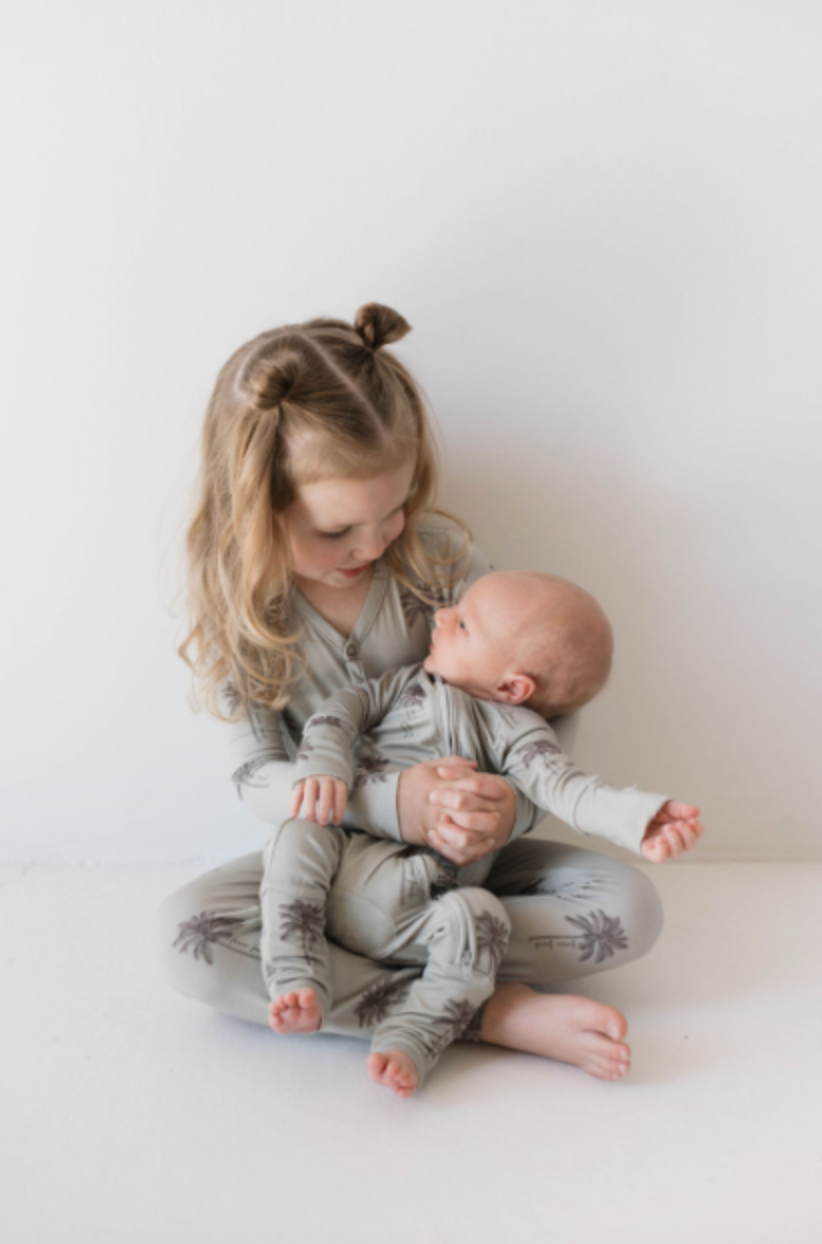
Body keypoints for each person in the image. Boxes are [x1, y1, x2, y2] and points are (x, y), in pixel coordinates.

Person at [155, 302, 682, 1090]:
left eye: (392, 510)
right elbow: (255, 778)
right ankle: (480, 1009)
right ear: (257, 507)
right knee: (184, 940)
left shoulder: (435, 561)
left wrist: (512, 808)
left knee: (627, 910)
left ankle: (391, 968)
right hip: (332, 866)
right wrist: (388, 803)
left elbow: (534, 699)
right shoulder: (243, 614)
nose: (372, 544)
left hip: (464, 869)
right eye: (337, 531)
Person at [264, 570, 703, 1096]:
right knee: (297, 834)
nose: (440, 618)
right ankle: (296, 971)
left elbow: (567, 789)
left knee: (480, 917)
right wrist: (326, 767)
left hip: (429, 905)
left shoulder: (520, 734)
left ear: (512, 687)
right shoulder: (401, 686)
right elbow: (335, 717)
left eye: (464, 624)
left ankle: (415, 1033)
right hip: (345, 860)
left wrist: (639, 818)